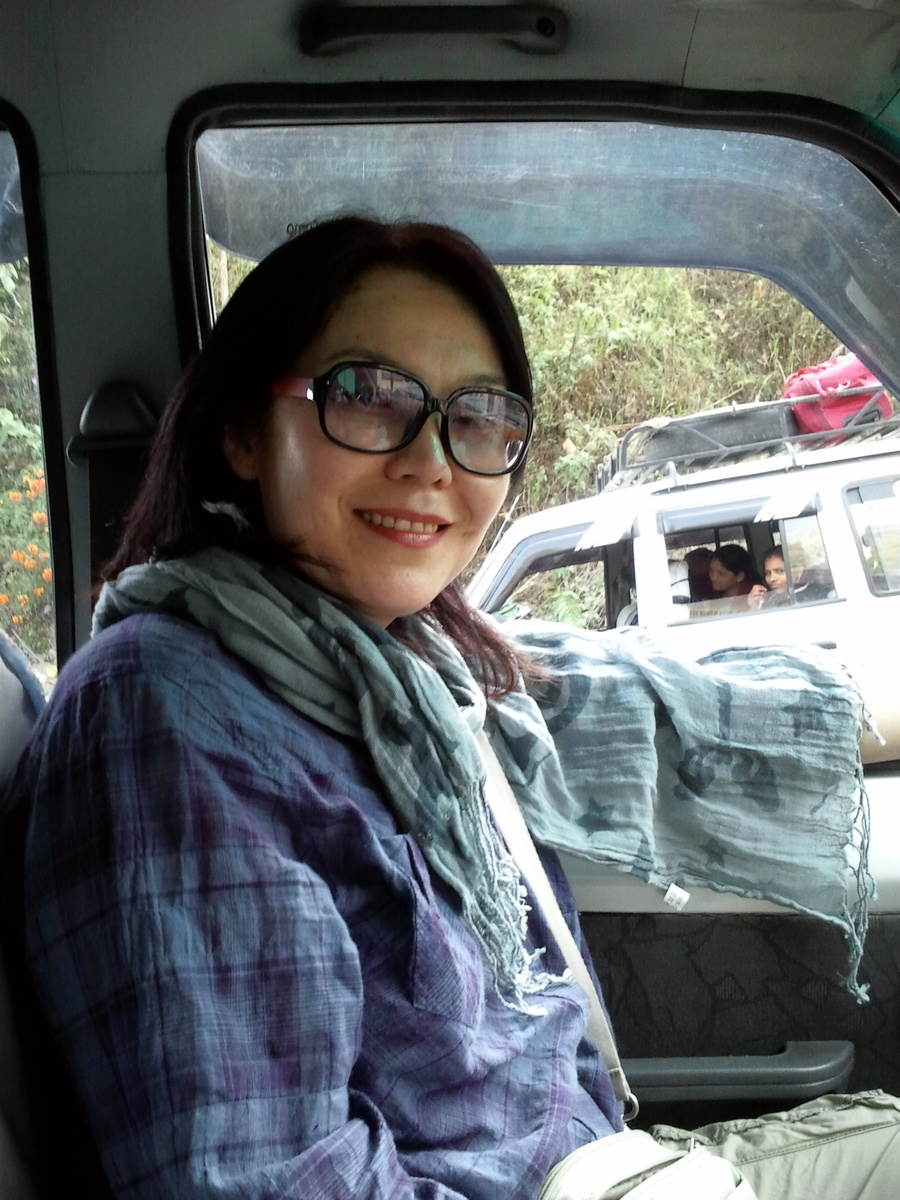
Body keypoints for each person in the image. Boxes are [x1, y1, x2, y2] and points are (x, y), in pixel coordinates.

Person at [0, 216, 897, 1200]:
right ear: (243, 431)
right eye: (367, 397)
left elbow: (622, 698)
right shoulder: (167, 720)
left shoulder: (407, 664)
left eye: (478, 418)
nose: (432, 460)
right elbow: (271, 1184)